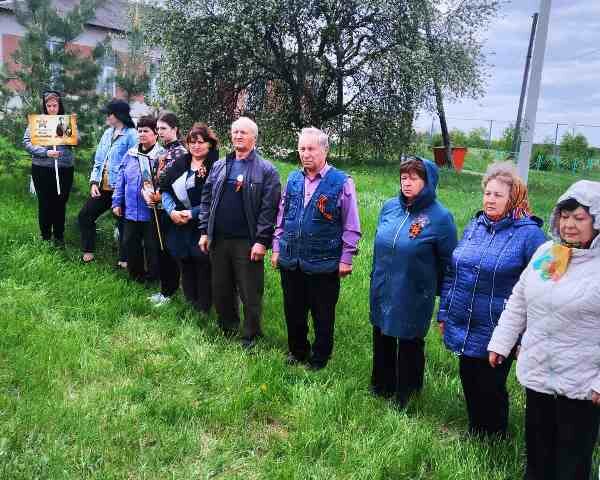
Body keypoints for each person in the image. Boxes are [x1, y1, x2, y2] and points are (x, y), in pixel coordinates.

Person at [488, 180, 600, 480]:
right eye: (565, 216)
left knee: (572, 463)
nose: (569, 225)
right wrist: (501, 342)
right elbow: (519, 302)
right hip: (539, 373)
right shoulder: (546, 254)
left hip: (582, 385)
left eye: (579, 218)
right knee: (537, 455)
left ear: (597, 222)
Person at [438, 161, 546, 436]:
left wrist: (524, 336)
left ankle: (495, 437)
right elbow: (454, 268)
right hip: (465, 319)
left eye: (498, 195)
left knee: (491, 384)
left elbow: (539, 288)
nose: (490, 199)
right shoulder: (476, 225)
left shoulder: (529, 235)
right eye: (487, 193)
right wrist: (445, 312)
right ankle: (476, 431)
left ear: (513, 198)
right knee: (469, 377)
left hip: (499, 326)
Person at [369, 156, 457, 407]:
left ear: (428, 182)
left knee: (409, 340)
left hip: (414, 290)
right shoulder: (389, 208)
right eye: (404, 177)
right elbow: (379, 245)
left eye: (414, 178)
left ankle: (407, 393)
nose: (407, 183)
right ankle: (381, 385)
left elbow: (448, 262)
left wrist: (435, 291)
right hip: (383, 284)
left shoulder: (441, 218)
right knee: (382, 332)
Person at [271, 127, 361, 370]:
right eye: (302, 148)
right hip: (291, 258)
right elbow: (282, 215)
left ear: (325, 150)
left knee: (323, 313)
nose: (306, 154)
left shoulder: (342, 182)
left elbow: (351, 225)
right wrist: (277, 247)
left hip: (324, 261)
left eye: (311, 148)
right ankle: (298, 350)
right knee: (293, 309)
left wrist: (346, 258)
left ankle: (320, 358)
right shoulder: (293, 179)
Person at [198, 117, 281, 349]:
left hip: (247, 242)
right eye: (235, 132)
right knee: (221, 287)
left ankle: (251, 335)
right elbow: (206, 199)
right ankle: (227, 327)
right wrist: (204, 231)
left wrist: (262, 241)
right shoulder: (220, 166)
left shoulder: (267, 171)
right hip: (219, 239)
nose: (237, 136)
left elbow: (269, 210)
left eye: (243, 132)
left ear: (254, 137)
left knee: (250, 290)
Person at [159, 123, 218, 313]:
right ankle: (190, 303)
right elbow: (165, 188)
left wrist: (192, 213)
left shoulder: (216, 166)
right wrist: (172, 211)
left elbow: (216, 200)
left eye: (201, 142)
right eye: (192, 142)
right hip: (179, 222)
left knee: (202, 264)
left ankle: (204, 308)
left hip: (202, 224)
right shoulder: (181, 163)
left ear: (209, 144)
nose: (196, 146)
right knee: (185, 262)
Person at [78, 99, 137, 263]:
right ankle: (88, 251)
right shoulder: (107, 133)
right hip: (102, 187)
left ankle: (124, 260)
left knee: (124, 223)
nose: (107, 116)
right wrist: (93, 182)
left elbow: (134, 164)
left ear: (118, 115)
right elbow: (98, 161)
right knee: (85, 215)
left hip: (121, 189)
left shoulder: (132, 135)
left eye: (109, 113)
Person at [111, 116, 165, 283]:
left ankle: (154, 278)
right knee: (129, 243)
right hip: (130, 211)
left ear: (155, 134)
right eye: (139, 131)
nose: (141, 134)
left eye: (146, 131)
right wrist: (117, 202)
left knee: (152, 246)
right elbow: (121, 179)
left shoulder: (161, 155)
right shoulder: (131, 153)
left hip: (150, 212)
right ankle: (136, 276)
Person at [23, 90, 75, 247]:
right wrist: (46, 152)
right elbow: (27, 142)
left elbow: (76, 141)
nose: (52, 108)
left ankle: (59, 237)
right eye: (49, 106)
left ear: (60, 105)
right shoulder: (38, 122)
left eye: (55, 105)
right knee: (45, 203)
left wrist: (71, 130)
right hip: (42, 168)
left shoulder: (65, 121)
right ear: (45, 107)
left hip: (64, 167)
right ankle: (45, 237)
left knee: (60, 202)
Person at [147, 111, 188, 306]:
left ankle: (170, 292)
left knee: (169, 251)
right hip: (158, 208)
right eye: (158, 129)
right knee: (161, 250)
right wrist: (149, 193)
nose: (160, 132)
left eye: (163, 128)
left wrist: (160, 195)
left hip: (171, 210)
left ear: (175, 129)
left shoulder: (181, 153)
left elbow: (176, 185)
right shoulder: (163, 152)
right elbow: (154, 179)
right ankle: (164, 290)